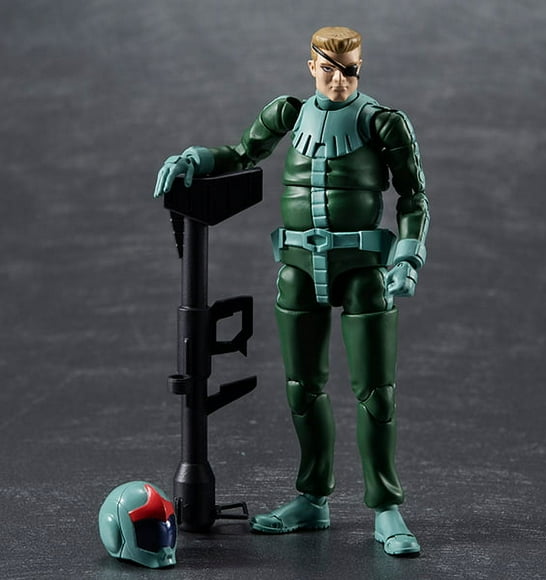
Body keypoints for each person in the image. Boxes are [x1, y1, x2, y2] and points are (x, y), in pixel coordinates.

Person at [154, 26, 429, 557]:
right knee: (303, 388)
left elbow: (414, 197)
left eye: (350, 70)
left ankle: (386, 507)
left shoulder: (383, 123)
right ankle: (312, 497)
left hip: (363, 270)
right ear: (311, 67)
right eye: (329, 69)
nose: (339, 80)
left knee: (376, 393)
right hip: (298, 268)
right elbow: (242, 153)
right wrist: (196, 158)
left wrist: (408, 257)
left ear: (360, 68)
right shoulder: (287, 113)